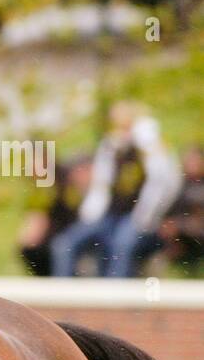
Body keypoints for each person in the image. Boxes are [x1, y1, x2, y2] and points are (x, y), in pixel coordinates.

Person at [50, 102, 181, 278]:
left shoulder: (149, 147)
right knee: (65, 244)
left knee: (120, 246)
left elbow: (162, 182)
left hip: (137, 217)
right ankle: (64, 298)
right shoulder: (112, 148)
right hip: (109, 215)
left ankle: (116, 301)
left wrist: (146, 217)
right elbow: (101, 186)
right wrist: (90, 214)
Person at [159, 144, 204, 275]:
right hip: (179, 237)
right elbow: (167, 212)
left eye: (194, 160)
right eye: (188, 160)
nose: (191, 164)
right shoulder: (180, 184)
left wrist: (179, 225)